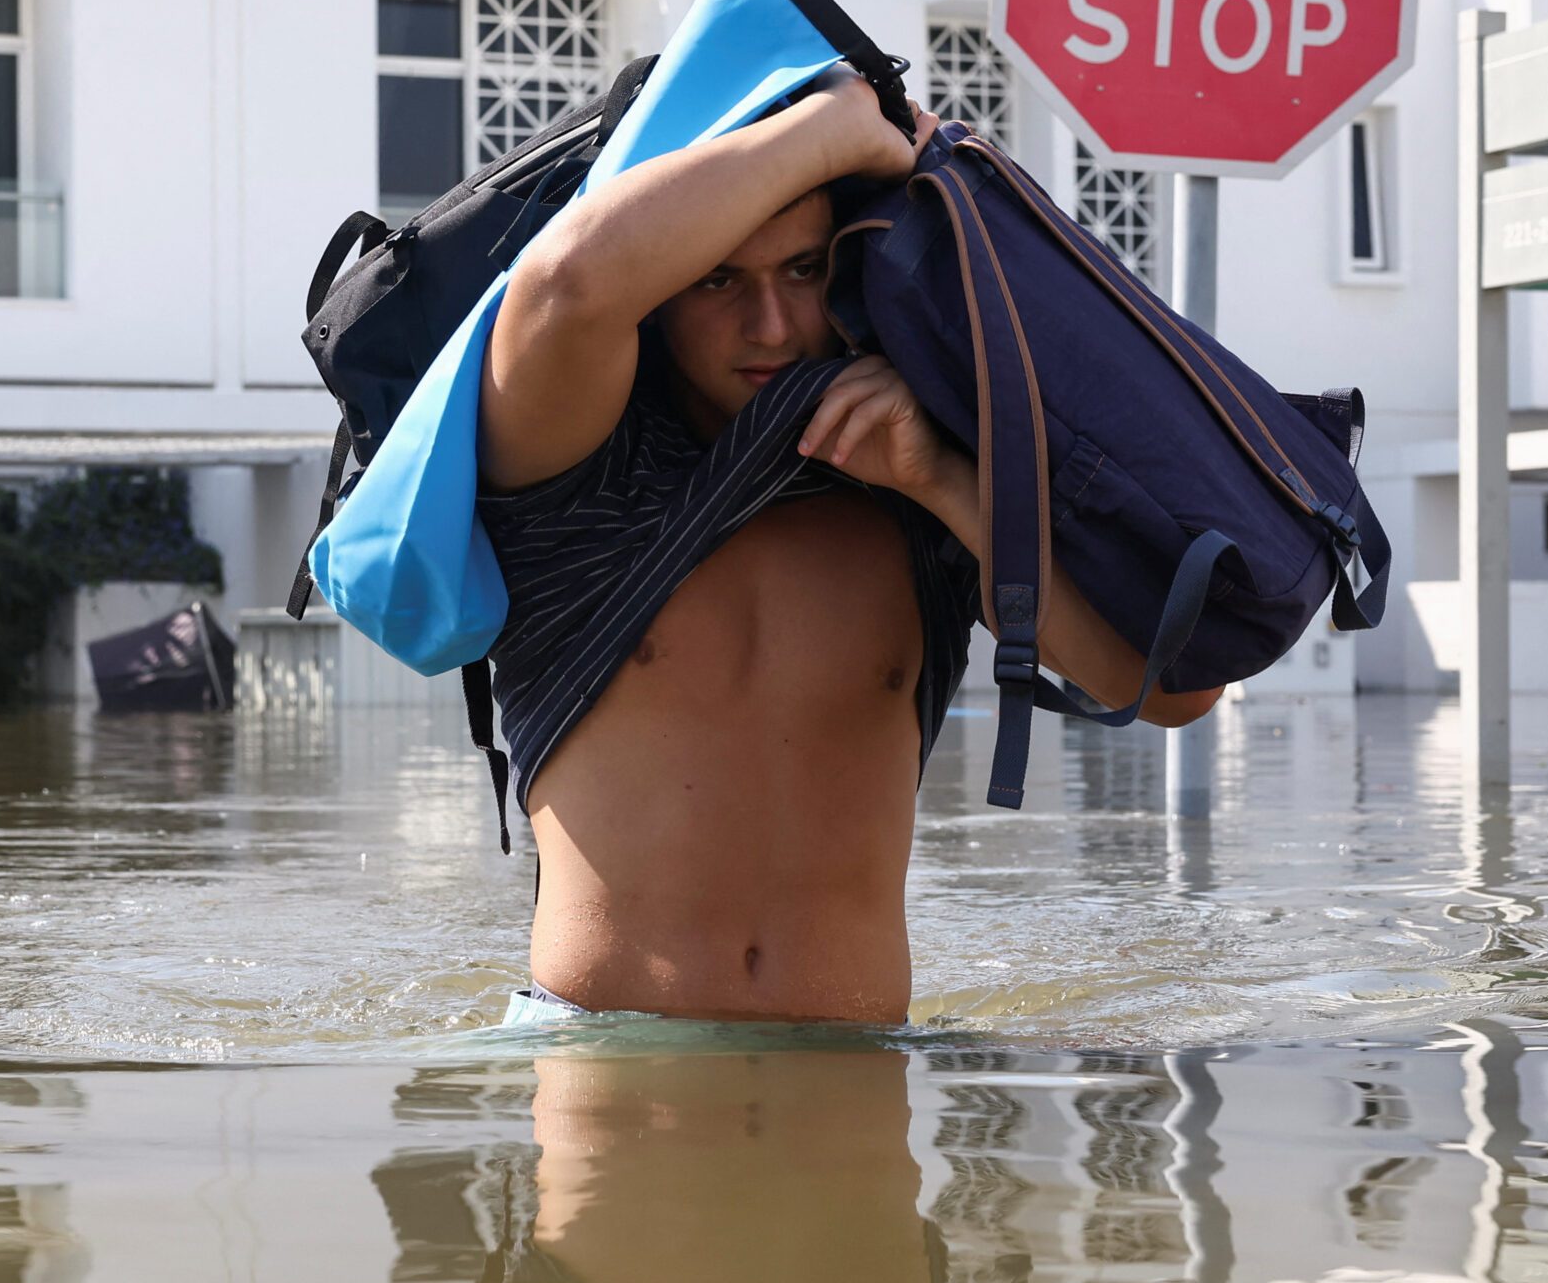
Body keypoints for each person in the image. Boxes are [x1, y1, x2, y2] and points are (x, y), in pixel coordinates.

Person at [478, 68, 1221, 1023]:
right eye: (716, 279)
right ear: (657, 291)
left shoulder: (923, 493)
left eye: (804, 270)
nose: (773, 325)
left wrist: (943, 483)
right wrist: (834, 129)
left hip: (855, 1076)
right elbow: (569, 284)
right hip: (606, 1074)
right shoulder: (571, 473)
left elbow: (1173, 689)